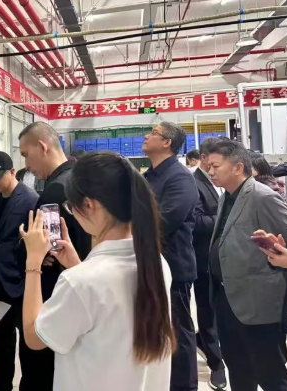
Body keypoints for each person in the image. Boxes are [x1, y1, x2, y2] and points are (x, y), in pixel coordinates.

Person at [19, 153, 175, 390]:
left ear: (89, 205)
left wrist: (33, 261)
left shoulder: (80, 282)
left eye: (71, 207)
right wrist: (77, 265)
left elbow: (34, 337)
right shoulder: (156, 262)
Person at [208, 140, 287, 391]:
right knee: (238, 369)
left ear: (237, 167)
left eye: (216, 166)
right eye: (209, 166)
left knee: (270, 374)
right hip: (227, 298)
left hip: (259, 302)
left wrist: (277, 249)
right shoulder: (226, 197)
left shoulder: (262, 196)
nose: (210, 171)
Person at [17, 122, 93, 389]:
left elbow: (41, 248)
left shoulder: (56, 190)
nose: (26, 165)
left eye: (26, 154)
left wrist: (27, 249)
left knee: (38, 369)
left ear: (42, 146)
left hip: (53, 294)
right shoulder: (79, 180)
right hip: (79, 287)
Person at [142, 122, 198, 391]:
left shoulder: (179, 178)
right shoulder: (149, 176)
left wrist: (131, 228)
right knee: (159, 331)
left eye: (153, 133)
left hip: (174, 268)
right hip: (150, 265)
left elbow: (165, 221)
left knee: (179, 331)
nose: (146, 136)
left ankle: (185, 386)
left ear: (167, 143)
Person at [0, 151, 39, 391]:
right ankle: (1, 383)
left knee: (27, 338)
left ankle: (28, 385)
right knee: (0, 335)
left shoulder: (31, 199)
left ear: (12, 172)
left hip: (20, 279)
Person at [191, 138, 227, 390]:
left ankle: (208, 343)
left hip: (227, 259)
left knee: (223, 311)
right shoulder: (193, 184)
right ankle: (216, 364)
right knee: (207, 311)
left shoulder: (225, 181)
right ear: (205, 159)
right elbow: (196, 222)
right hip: (203, 260)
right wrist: (227, 219)